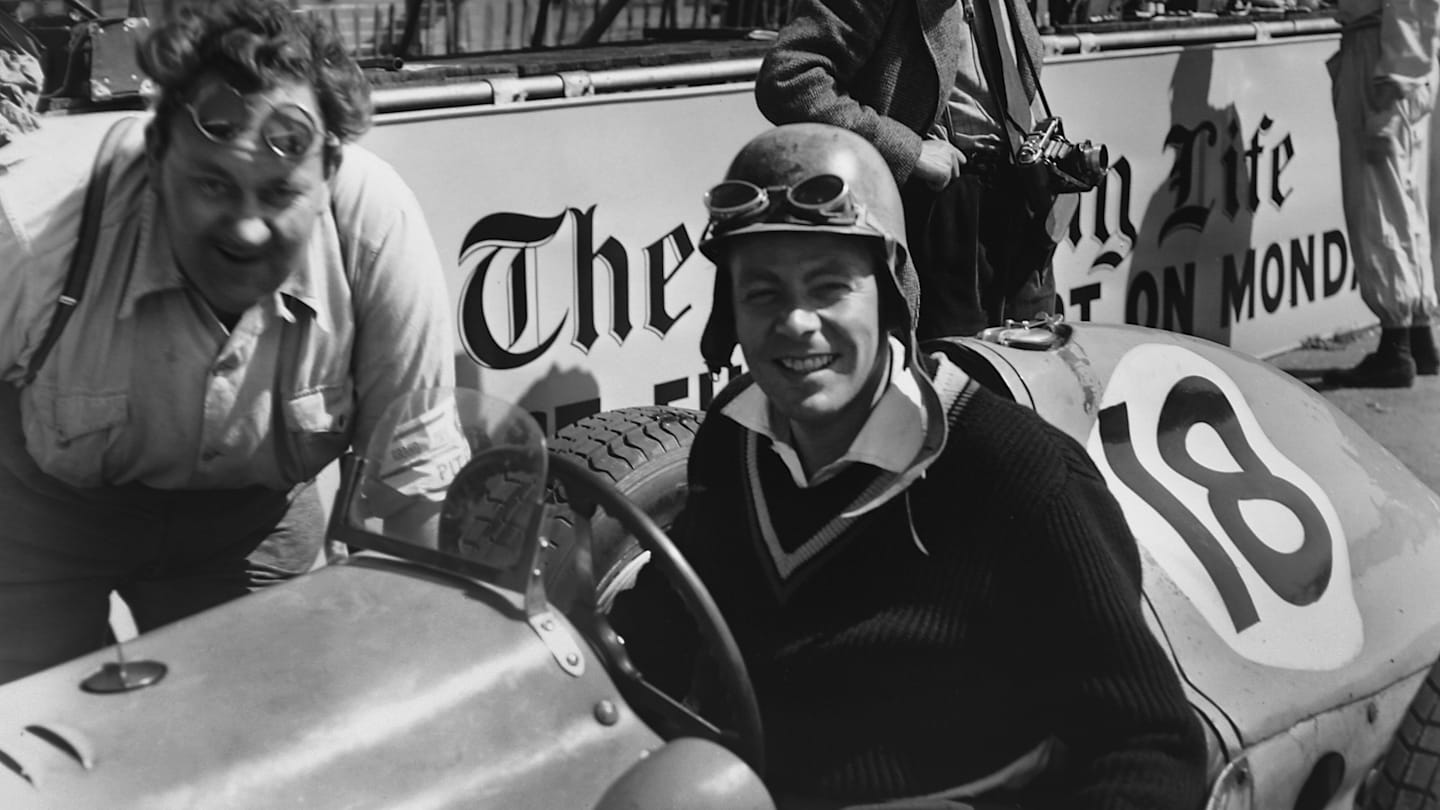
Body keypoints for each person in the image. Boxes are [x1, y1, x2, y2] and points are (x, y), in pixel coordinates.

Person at [612, 123, 1208, 808]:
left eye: (829, 287)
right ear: (731, 311)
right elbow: (662, 627)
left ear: (891, 293)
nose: (797, 322)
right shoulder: (732, 437)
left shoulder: (1017, 474)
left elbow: (1151, 744)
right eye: (764, 294)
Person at [0, 0, 455, 684]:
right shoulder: (29, 227)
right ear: (157, 157)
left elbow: (415, 491)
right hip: (42, 516)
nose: (245, 229)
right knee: (38, 750)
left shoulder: (375, 227)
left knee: (267, 729)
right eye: (212, 183)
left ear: (329, 170)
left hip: (252, 517)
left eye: (277, 192)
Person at [753, 0, 1061, 339]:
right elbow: (789, 78)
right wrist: (906, 150)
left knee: (1034, 360)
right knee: (956, 371)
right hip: (939, 210)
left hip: (1020, 206)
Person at [1323, 0, 1440, 387]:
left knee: (1377, 203)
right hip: (1395, 54)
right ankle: (1418, 336)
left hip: (1383, 57)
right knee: (1403, 200)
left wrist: (1394, 78)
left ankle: (1396, 348)